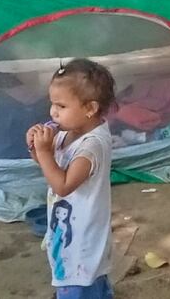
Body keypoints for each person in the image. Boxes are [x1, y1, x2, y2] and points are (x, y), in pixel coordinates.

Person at [26, 59, 117, 299]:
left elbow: (63, 185)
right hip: (68, 228)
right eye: (52, 103)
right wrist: (36, 149)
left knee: (80, 282)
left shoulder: (93, 146)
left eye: (61, 106)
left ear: (90, 108)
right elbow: (52, 168)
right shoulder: (67, 132)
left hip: (83, 239)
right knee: (86, 283)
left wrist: (45, 153)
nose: (52, 112)